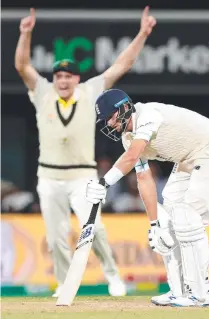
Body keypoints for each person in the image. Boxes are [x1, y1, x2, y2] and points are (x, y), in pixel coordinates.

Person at [15, 7, 156, 297]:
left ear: (77, 79)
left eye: (68, 76)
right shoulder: (42, 92)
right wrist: (25, 33)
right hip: (49, 176)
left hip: (82, 176)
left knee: (97, 230)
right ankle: (67, 285)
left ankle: (114, 277)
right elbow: (22, 67)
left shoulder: (91, 90)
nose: (63, 80)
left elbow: (121, 66)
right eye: (58, 76)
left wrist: (142, 33)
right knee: (55, 239)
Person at [86, 89, 209, 307]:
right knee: (169, 211)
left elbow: (132, 156)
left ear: (124, 108)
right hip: (188, 157)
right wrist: (155, 224)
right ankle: (178, 291)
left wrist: (104, 182)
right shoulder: (129, 138)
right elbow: (145, 179)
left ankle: (200, 295)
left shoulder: (148, 115)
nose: (109, 124)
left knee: (188, 217)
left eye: (110, 117)